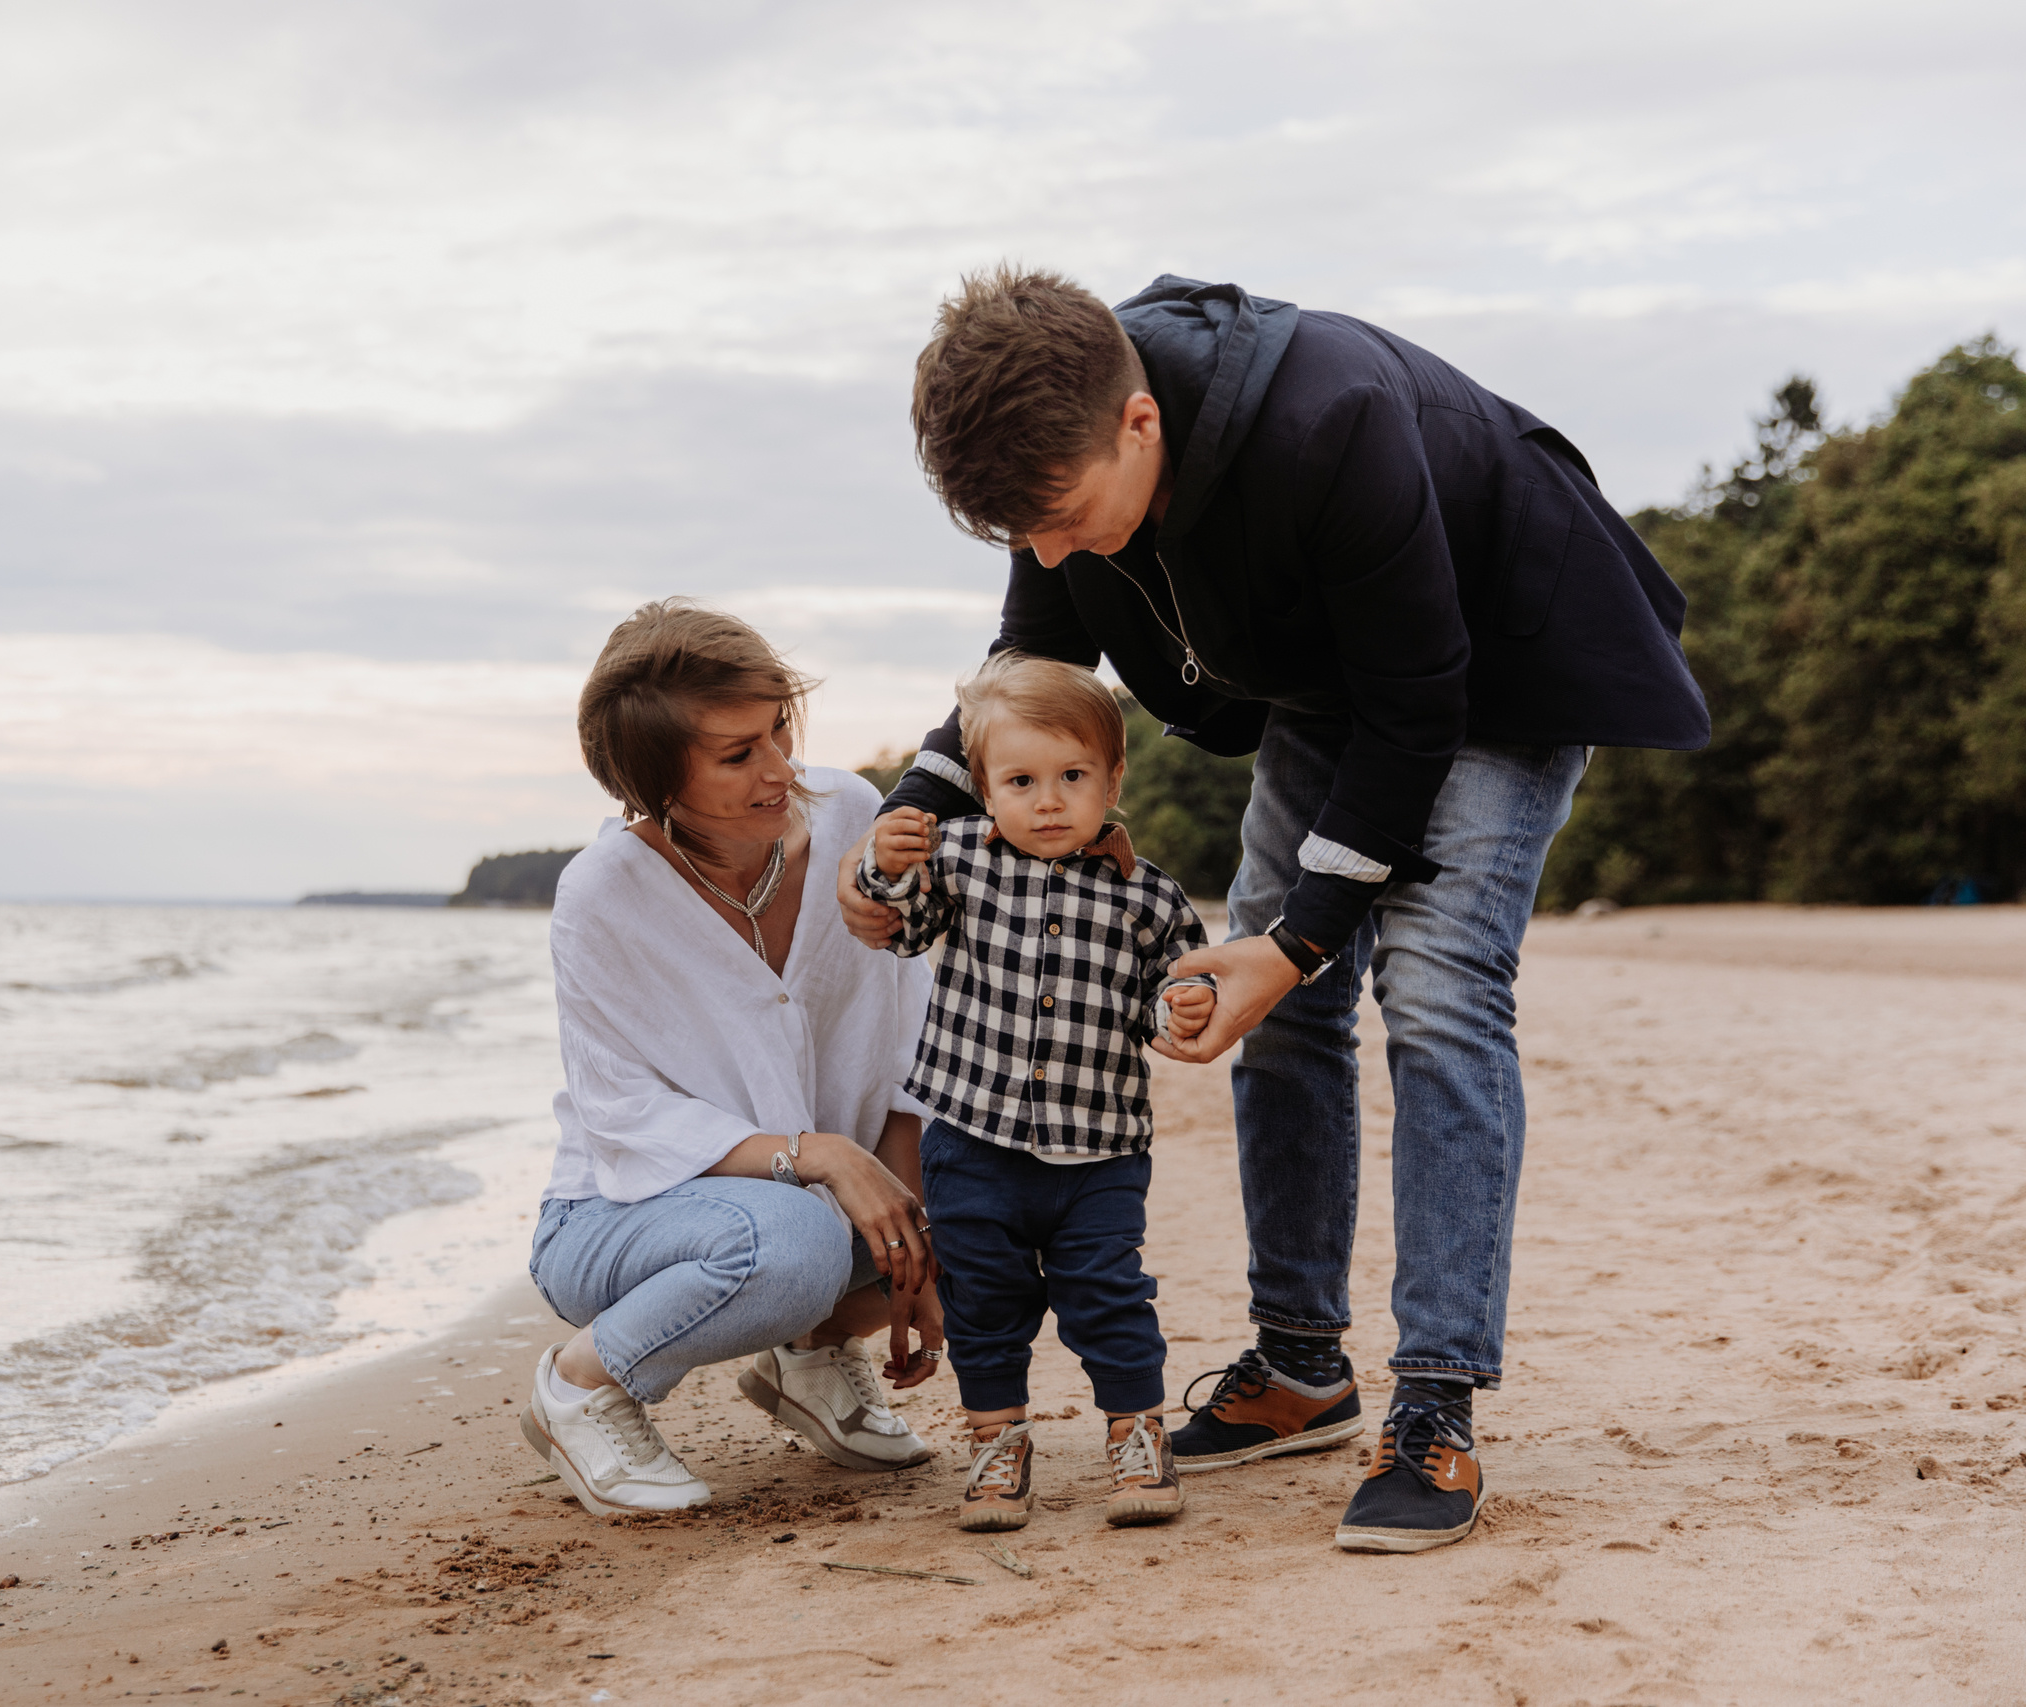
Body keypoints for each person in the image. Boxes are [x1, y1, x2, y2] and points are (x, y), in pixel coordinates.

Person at [841, 267, 1711, 1555]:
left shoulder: (1330, 419)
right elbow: (1028, 665)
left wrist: (1304, 941)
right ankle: (1301, 1362)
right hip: (1338, 671)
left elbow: (1421, 707)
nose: (1050, 553)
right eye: (1018, 532)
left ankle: (1436, 1406)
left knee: (1432, 989)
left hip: (1498, 660)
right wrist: (903, 822)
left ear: (1138, 424)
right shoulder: (1065, 458)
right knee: (1262, 997)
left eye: (1065, 518)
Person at [522, 598, 945, 1518]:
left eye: (779, 730)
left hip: (818, 1199)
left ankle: (813, 1355)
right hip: (618, 1216)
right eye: (738, 754)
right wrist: (820, 1153)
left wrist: (918, 1234)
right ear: (655, 779)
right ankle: (581, 1384)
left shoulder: (855, 821)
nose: (780, 769)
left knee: (998, 1194)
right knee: (795, 1241)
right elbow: (623, 1114)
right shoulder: (601, 897)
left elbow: (912, 1029)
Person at [855, 652, 1214, 1533]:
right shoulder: (961, 867)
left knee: (1111, 1294)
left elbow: (1168, 1001)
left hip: (1099, 1151)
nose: (1047, 800)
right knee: (984, 1299)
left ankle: (1137, 1436)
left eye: (1072, 776)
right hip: (974, 1141)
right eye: (1020, 780)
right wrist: (883, 862)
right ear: (981, 785)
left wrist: (1186, 1003)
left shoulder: (1148, 897)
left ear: (1112, 777)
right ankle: (996, 1446)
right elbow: (899, 931)